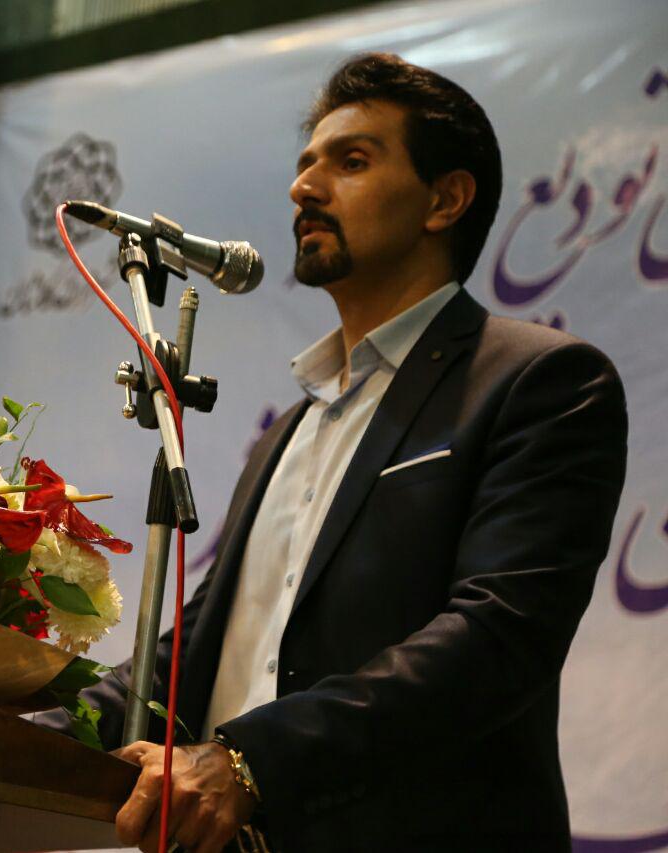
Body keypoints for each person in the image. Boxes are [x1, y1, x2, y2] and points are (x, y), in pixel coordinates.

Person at [38, 53, 629, 852]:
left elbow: (498, 637)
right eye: (306, 163)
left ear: (445, 200)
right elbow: (194, 654)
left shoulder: (538, 381)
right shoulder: (288, 429)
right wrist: (10, 731)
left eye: (351, 161)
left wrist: (251, 762)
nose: (303, 188)